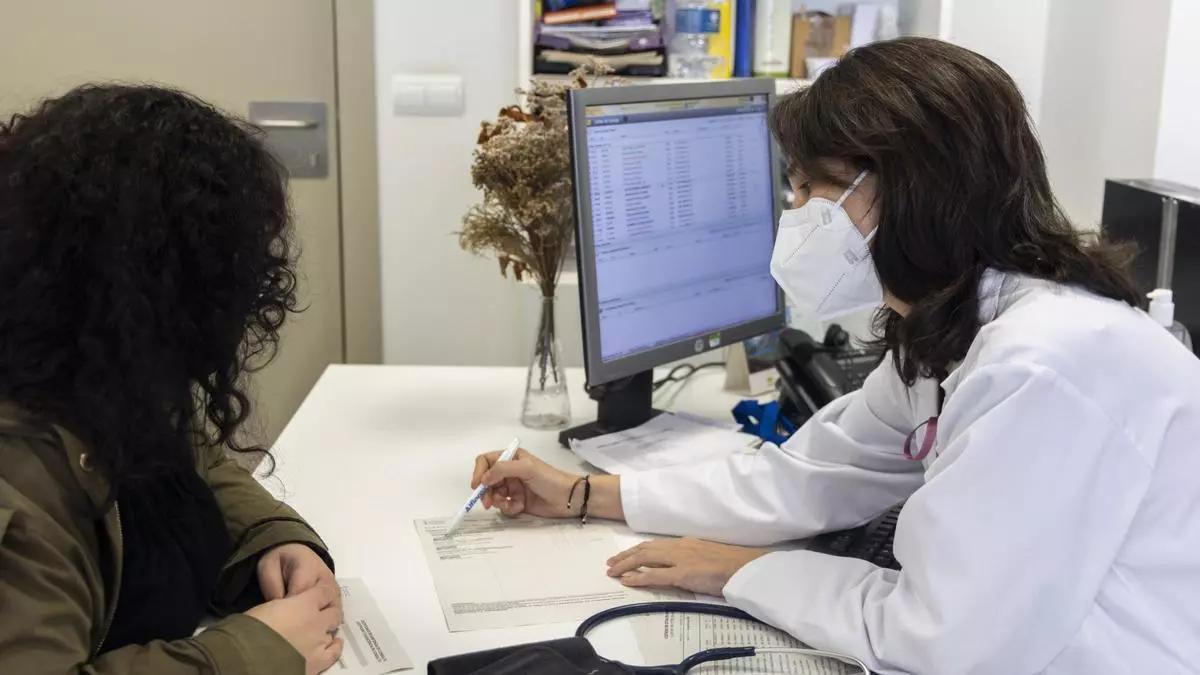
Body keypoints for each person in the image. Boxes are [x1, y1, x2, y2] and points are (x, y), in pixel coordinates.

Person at [469, 38, 1200, 674]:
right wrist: (580, 495)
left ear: (909, 189)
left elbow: (942, 637)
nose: (793, 212)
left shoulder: (1047, 364)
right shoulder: (951, 329)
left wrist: (744, 572)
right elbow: (802, 480)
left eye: (811, 185)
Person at [0, 85, 343, 674]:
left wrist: (271, 538)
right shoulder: (16, 479)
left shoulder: (90, 369)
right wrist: (252, 654)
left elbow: (186, 460)